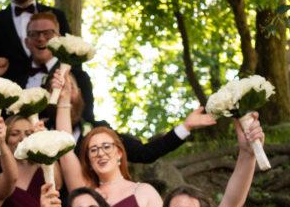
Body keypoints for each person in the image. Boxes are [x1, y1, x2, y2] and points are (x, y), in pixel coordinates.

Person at [46, 63, 217, 165]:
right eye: (59, 89)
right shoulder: (41, 132)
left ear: (79, 92)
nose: (65, 94)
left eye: (69, 88)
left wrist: (185, 127)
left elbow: (145, 153)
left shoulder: (100, 131)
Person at [57, 110, 167, 207]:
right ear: (88, 160)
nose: (101, 153)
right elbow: (65, 147)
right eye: (93, 150)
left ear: (119, 153)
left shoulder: (143, 191)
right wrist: (63, 99)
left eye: (107, 146)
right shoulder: (85, 192)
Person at [0, 114, 66, 207]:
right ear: (5, 138)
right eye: (15, 134)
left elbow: (57, 184)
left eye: (28, 133)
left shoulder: (44, 168)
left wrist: (44, 141)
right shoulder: (1, 180)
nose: (22, 138)